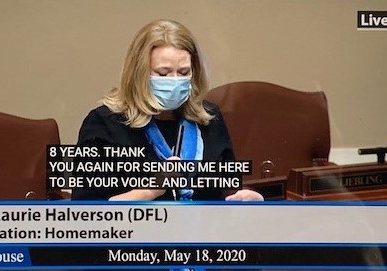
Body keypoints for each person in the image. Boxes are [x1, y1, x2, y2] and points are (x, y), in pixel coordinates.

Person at [72, 19, 263, 201]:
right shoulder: (104, 123)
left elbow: (226, 189)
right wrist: (150, 189)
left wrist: (242, 199)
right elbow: (87, 214)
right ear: (139, 73)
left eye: (183, 72)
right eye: (163, 73)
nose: (174, 80)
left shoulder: (209, 118)